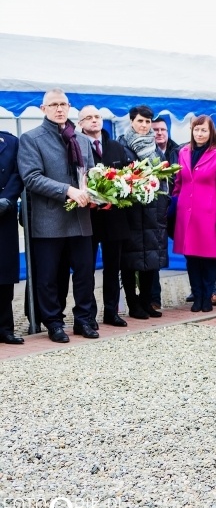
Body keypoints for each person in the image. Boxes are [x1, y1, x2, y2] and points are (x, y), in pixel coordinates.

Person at [18, 88, 99, 343]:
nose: (59, 108)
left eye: (63, 104)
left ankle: (84, 320)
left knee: (85, 273)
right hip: (48, 220)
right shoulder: (31, 139)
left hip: (80, 219)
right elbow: (31, 178)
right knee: (50, 277)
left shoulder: (82, 140)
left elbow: (91, 175)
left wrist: (97, 195)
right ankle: (53, 322)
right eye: (53, 104)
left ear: (69, 107)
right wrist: (68, 190)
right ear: (43, 109)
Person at [78, 105, 131, 327]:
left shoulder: (116, 147)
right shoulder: (76, 147)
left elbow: (129, 176)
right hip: (87, 217)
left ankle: (112, 311)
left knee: (113, 266)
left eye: (97, 117)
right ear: (80, 123)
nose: (94, 121)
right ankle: (88, 313)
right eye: (88, 118)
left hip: (114, 218)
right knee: (86, 267)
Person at [173, 115, 216, 312]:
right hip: (186, 214)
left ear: (210, 132)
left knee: (208, 259)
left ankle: (207, 296)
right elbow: (178, 183)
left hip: (208, 214)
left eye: (203, 130)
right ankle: (196, 295)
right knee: (191, 258)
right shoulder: (183, 152)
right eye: (196, 130)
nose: (199, 133)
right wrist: (174, 204)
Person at [117, 105, 168, 320]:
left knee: (150, 260)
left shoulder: (155, 147)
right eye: (140, 121)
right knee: (130, 261)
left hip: (152, 210)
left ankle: (147, 301)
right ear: (131, 122)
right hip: (131, 211)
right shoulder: (122, 145)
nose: (144, 126)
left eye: (148, 122)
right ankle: (133, 304)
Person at [150, 116, 181, 310]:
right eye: (155, 130)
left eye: (162, 129)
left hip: (176, 208)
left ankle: (203, 289)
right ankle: (154, 298)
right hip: (154, 209)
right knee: (153, 252)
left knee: (191, 247)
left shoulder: (179, 151)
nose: (159, 133)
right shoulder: (145, 153)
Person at [0, 131, 25, 344]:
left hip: (3, 215)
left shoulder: (10, 141)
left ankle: (5, 328)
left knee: (4, 276)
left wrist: (7, 199)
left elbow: (18, 173)